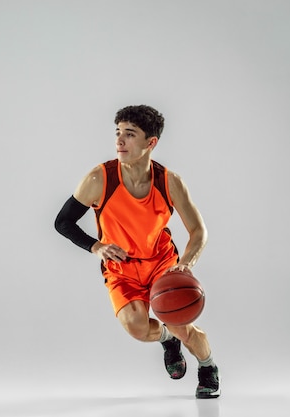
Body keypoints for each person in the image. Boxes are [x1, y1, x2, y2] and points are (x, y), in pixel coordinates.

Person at [54, 104, 220, 398]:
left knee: (184, 327)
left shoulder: (169, 181)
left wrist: (186, 264)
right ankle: (168, 340)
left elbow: (199, 231)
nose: (119, 141)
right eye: (118, 133)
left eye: (130, 135)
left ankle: (207, 366)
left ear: (150, 143)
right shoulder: (99, 179)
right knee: (136, 327)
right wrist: (96, 246)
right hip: (122, 268)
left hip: (162, 265)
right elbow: (62, 222)